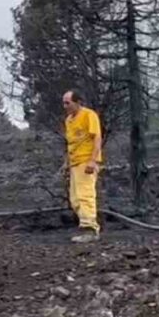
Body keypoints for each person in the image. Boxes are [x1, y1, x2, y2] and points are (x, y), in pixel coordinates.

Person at [61, 90, 102, 243]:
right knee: (75, 199)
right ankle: (86, 225)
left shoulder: (89, 115)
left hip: (86, 161)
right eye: (64, 103)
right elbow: (71, 143)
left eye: (68, 103)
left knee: (85, 195)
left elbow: (96, 137)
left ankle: (90, 229)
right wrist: (67, 162)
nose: (65, 106)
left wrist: (93, 160)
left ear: (77, 102)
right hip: (75, 162)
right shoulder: (69, 121)